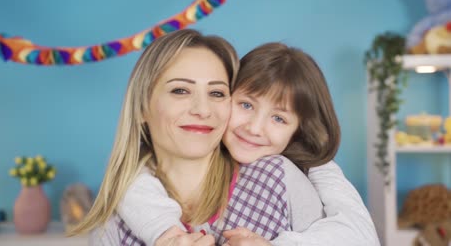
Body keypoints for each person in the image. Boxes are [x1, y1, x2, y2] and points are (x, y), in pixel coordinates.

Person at [69, 29, 326, 245]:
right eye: (180, 90)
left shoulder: (276, 179)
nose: (202, 110)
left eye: (216, 93)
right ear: (141, 109)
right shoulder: (115, 226)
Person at [113, 40, 380, 245]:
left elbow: (360, 236)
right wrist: (166, 233)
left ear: (298, 131)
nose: (254, 127)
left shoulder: (309, 170)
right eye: (245, 105)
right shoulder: (154, 172)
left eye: (278, 118)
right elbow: (130, 181)